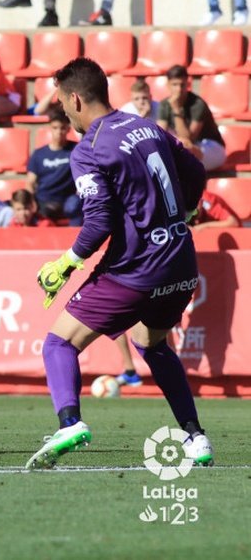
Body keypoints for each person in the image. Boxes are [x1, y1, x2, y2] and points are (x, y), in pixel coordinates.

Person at [26, 57, 213, 470]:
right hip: (181, 261)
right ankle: (196, 437)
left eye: (61, 102)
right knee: (151, 343)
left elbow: (98, 224)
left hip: (135, 268)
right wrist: (185, 211)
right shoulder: (148, 127)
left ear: (75, 98)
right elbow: (197, 171)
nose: (62, 110)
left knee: (59, 343)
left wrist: (67, 263)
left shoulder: (89, 148)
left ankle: (69, 423)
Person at [157, 65, 226, 172]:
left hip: (211, 148)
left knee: (184, 144)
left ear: (187, 84)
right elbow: (160, 134)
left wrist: (176, 110)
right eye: (175, 85)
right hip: (188, 147)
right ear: (168, 85)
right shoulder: (164, 104)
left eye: (182, 85)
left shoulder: (197, 104)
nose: (179, 89)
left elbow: (189, 138)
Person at [27, 112, 83, 226]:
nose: (59, 132)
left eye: (62, 128)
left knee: (75, 205)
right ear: (50, 128)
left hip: (68, 200)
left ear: (68, 129)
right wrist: (31, 200)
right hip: (43, 201)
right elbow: (30, 182)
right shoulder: (39, 154)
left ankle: (76, 241)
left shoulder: (76, 150)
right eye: (55, 128)